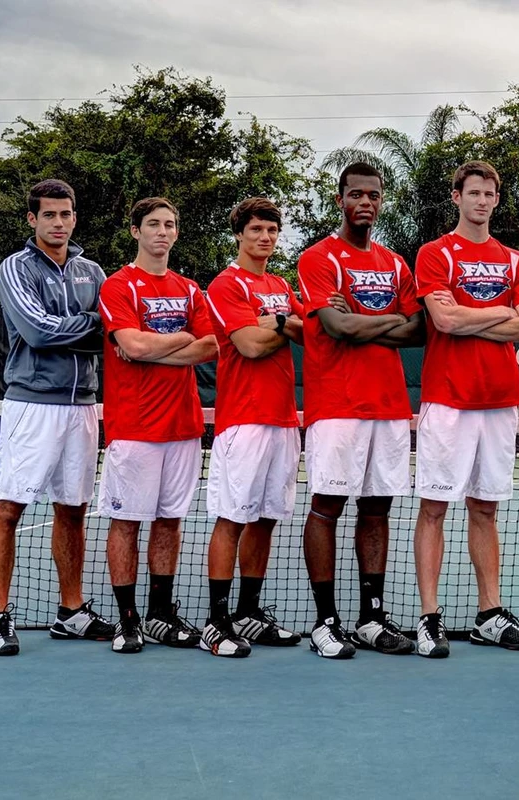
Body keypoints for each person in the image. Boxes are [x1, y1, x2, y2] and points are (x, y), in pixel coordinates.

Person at [411, 160, 519, 657]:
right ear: (456, 197)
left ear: (496, 200)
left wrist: (475, 317)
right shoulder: (435, 253)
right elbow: (443, 321)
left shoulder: (515, 260)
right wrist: (501, 311)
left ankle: (490, 614)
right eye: (473, 193)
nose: (482, 201)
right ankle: (429, 618)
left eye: (489, 194)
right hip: (448, 401)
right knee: (434, 508)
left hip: (499, 402)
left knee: (485, 509)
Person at [295, 162, 425, 658]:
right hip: (337, 405)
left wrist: (366, 320)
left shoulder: (395, 263)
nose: (365, 202)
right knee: (327, 506)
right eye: (356, 194)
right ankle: (325, 622)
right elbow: (336, 327)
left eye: (373, 195)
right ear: (340, 200)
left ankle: (371, 618)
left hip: (388, 406)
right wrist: (389, 319)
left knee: (377, 509)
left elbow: (418, 330)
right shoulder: (318, 258)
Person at [0, 179, 111, 656]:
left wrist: (93, 329)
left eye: (65, 214)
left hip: (83, 406)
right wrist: (94, 324)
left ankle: (71, 612)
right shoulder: (16, 267)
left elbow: (115, 330)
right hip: (32, 406)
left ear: (74, 217)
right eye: (49, 215)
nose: (58, 222)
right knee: (10, 508)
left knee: (73, 510)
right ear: (32, 219)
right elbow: (37, 331)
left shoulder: (92, 271)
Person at [95, 197, 217, 654]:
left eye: (170, 224)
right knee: (127, 523)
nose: (162, 232)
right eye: (153, 224)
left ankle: (160, 615)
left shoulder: (190, 289)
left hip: (183, 427)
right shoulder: (118, 286)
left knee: (169, 523)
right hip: (134, 428)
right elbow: (131, 345)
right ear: (136, 231)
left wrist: (157, 348)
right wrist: (180, 338)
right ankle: (128, 621)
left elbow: (210, 346)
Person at [200, 197, 307, 658]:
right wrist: (285, 328)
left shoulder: (280, 285)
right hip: (243, 420)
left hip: (283, 420)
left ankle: (248, 613)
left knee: (265, 518)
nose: (265, 237)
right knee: (233, 518)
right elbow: (247, 345)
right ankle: (216, 622)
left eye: (272, 230)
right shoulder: (226, 284)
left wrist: (277, 320)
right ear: (239, 234)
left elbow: (310, 332)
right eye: (257, 229)